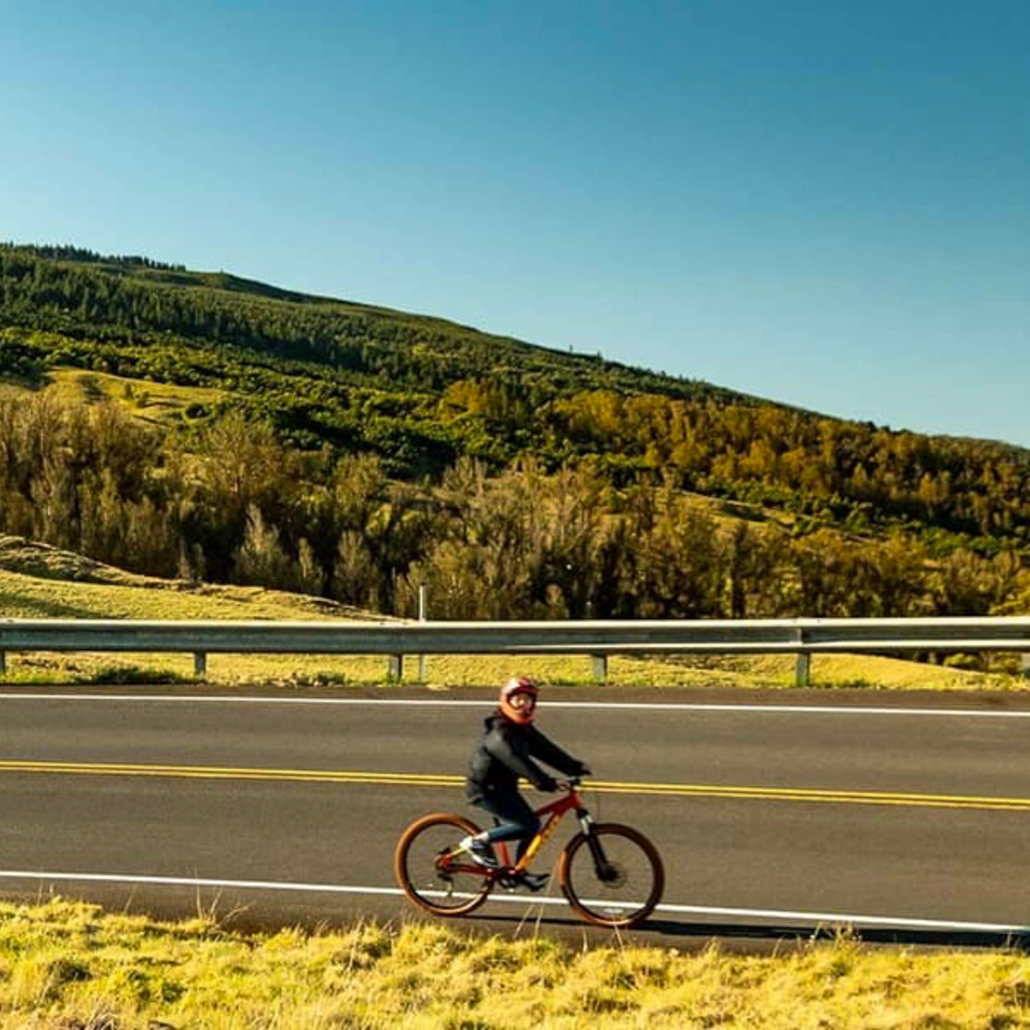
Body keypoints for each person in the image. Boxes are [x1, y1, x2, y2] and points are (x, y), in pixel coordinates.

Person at [462, 676, 590, 891]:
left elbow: (547, 751)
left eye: (527, 699)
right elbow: (520, 764)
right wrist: (546, 783)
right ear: (507, 701)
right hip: (485, 790)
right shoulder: (500, 734)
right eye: (517, 699)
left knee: (530, 825)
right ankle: (476, 842)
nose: (523, 704)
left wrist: (574, 767)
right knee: (527, 825)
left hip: (504, 788)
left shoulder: (522, 729)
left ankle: (519, 872)